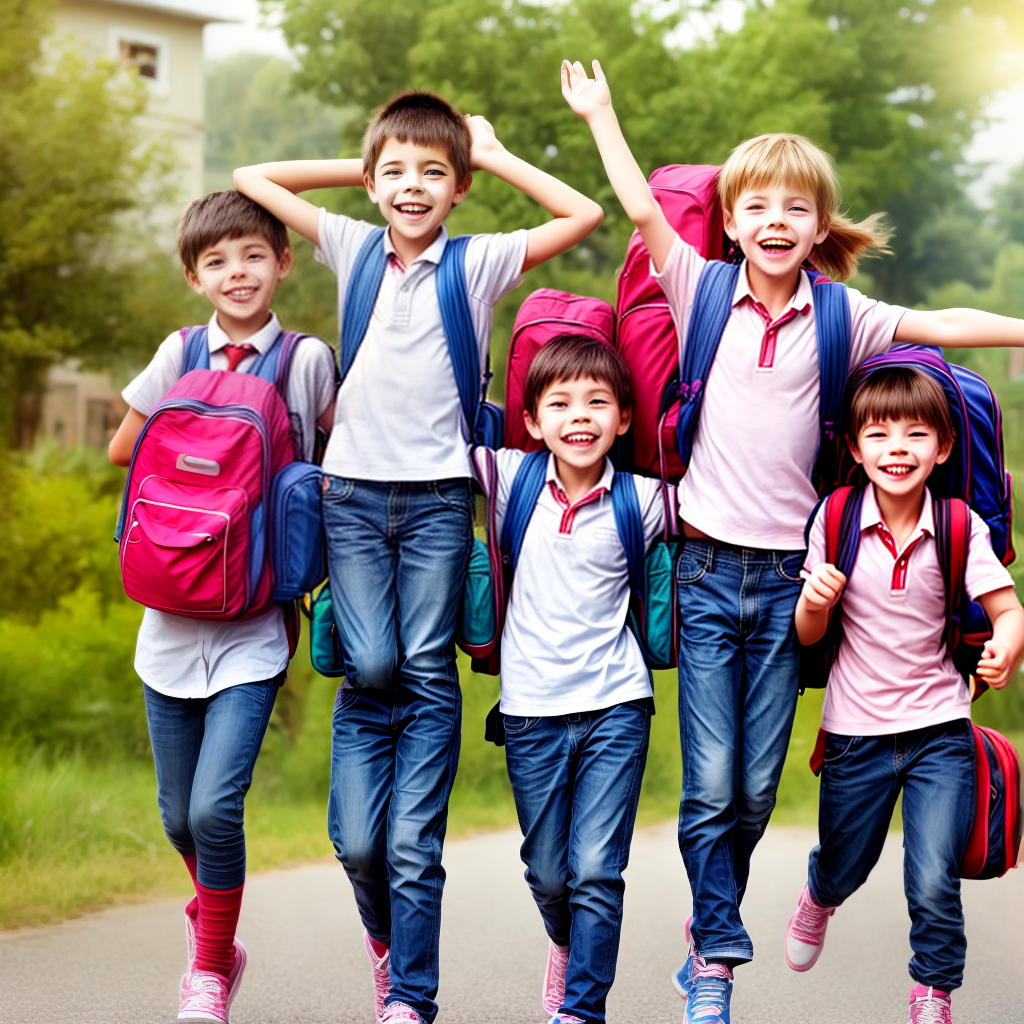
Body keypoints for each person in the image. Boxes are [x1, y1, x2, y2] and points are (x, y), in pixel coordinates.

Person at [561, 57, 1024, 1024]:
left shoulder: (845, 316)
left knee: (757, 788)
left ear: (819, 228)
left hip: (793, 582)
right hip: (703, 569)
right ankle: (716, 955)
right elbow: (640, 209)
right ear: (730, 223)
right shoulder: (696, 288)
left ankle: (708, 926)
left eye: (796, 208)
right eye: (757, 206)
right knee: (710, 780)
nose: (776, 220)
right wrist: (601, 114)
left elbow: (944, 322)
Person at [233, 91, 603, 1024]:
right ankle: (385, 929)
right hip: (351, 498)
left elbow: (583, 214)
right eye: (394, 172)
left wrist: (494, 152)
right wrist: (363, 167)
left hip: (439, 500)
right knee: (371, 668)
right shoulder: (352, 244)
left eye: (433, 173)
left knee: (424, 674)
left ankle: (412, 996)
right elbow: (252, 177)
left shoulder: (477, 262)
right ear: (372, 183)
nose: (411, 187)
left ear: (459, 188)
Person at [108, 189, 338, 1024]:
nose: (236, 273)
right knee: (178, 817)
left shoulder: (307, 361)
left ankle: (208, 970)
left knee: (214, 808)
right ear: (194, 277)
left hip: (253, 628)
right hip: (169, 619)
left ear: (284, 262)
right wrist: (198, 453)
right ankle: (218, 925)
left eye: (252, 256)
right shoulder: (178, 352)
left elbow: (338, 461)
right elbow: (123, 448)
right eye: (216, 261)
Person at [786, 365, 1024, 1024]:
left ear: (943, 448)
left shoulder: (958, 524)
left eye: (917, 434)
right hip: (855, 734)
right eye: (879, 434)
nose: (898, 448)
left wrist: (1008, 646)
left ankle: (932, 993)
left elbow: (1007, 610)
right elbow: (808, 634)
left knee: (932, 875)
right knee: (846, 863)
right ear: (855, 448)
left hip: (940, 730)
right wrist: (814, 602)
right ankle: (820, 894)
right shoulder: (836, 517)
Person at [493, 335, 667, 1024]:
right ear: (531, 421)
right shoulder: (507, 479)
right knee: (547, 872)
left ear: (624, 418)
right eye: (560, 403)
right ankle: (564, 944)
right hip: (529, 709)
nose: (580, 417)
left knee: (596, 867)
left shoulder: (645, 500)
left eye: (598, 402)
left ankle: (582, 1009)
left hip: (615, 703)